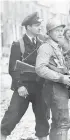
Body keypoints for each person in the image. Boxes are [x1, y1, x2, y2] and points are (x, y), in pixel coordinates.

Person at [1, 12, 49, 140]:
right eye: (36, 25)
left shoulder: (42, 43)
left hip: (40, 86)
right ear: (28, 27)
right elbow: (12, 68)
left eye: (40, 25)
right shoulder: (18, 44)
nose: (40, 27)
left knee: (43, 118)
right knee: (12, 116)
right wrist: (19, 86)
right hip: (24, 87)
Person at [35, 18, 70, 140]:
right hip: (54, 88)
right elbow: (40, 69)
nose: (60, 33)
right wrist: (61, 78)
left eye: (61, 30)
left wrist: (68, 73)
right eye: (56, 30)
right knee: (63, 123)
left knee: (58, 123)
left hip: (58, 88)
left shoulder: (56, 47)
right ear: (49, 32)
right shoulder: (46, 47)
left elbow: (57, 66)